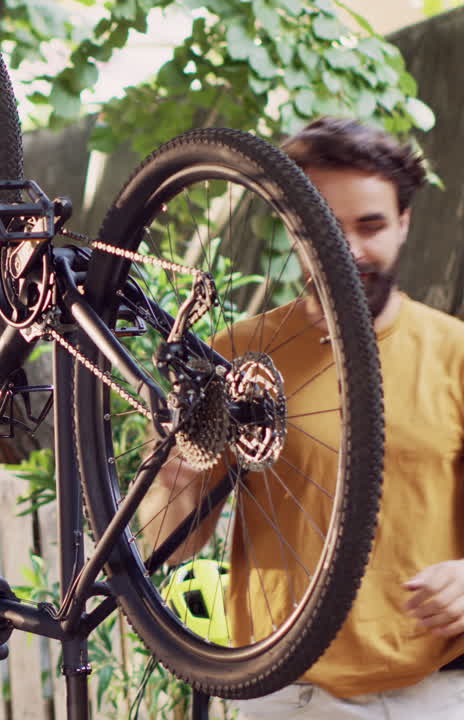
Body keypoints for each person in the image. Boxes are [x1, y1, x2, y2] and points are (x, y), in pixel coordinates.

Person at [143, 117, 464, 718]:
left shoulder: (455, 354)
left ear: (404, 224)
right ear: (293, 227)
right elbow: (177, 546)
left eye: (370, 226)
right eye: (323, 225)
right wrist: (173, 488)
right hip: (287, 692)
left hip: (432, 693)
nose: (348, 249)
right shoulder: (239, 353)